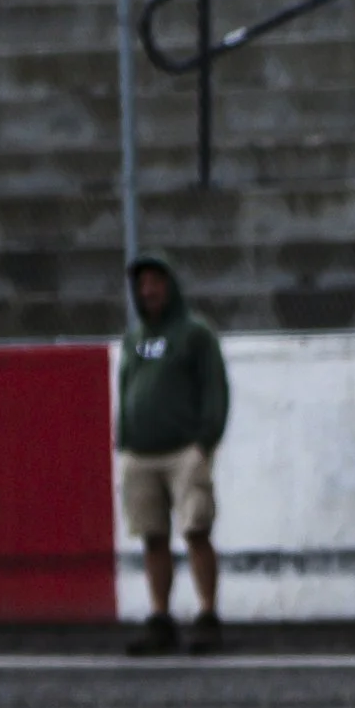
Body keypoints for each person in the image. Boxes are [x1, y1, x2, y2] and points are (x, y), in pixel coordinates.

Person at [117, 254, 229, 655]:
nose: (148, 290)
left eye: (155, 282)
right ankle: (160, 617)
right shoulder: (135, 339)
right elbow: (126, 385)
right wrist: (124, 439)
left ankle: (207, 614)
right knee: (153, 536)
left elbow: (215, 389)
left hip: (184, 451)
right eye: (142, 284)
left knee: (196, 529)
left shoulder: (195, 334)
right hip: (140, 453)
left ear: (170, 285)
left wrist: (204, 442)